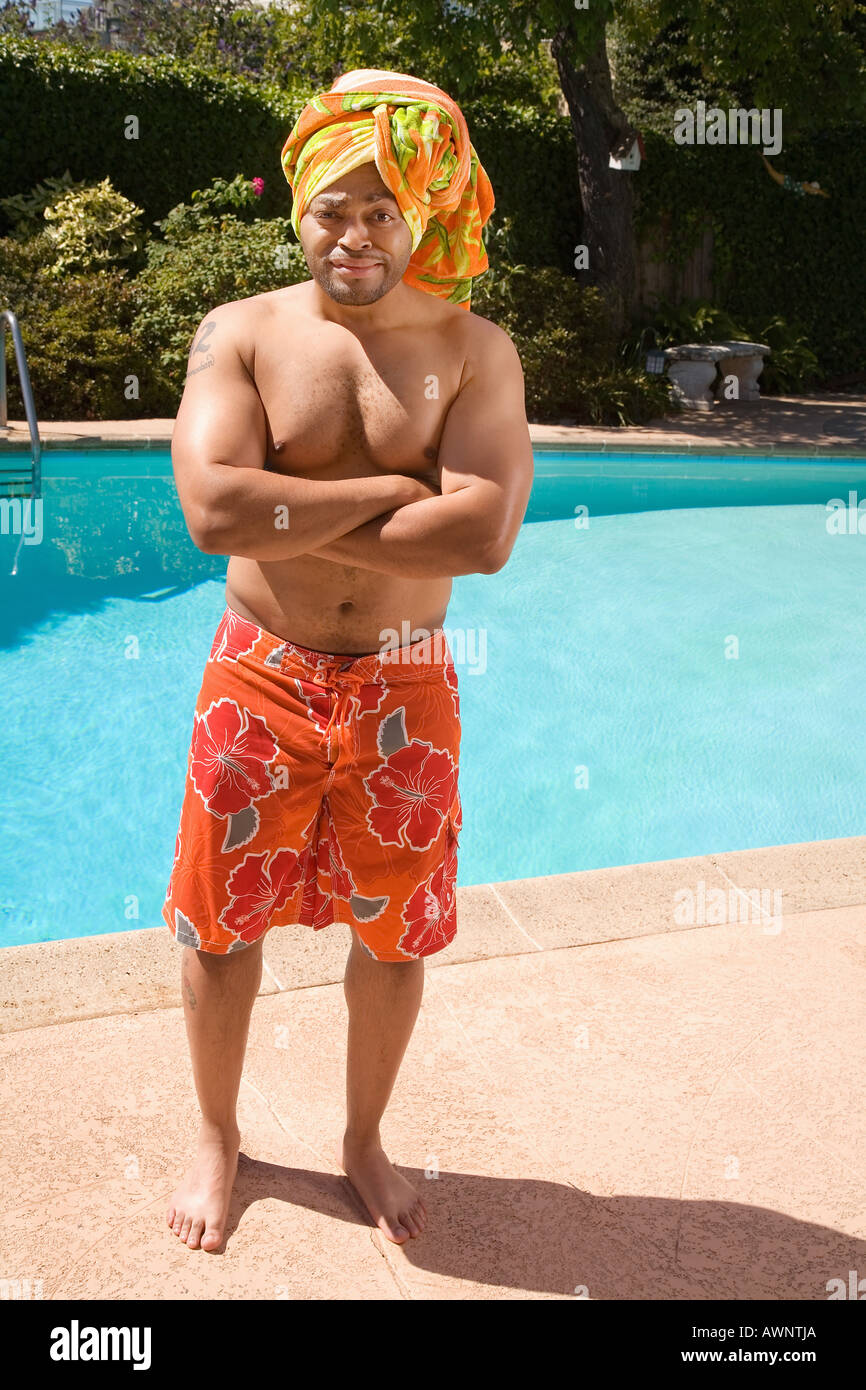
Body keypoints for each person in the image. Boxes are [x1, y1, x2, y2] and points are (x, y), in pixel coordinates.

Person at [163, 69, 534, 1253]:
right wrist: (393, 487)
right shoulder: (243, 332)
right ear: (299, 208)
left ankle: (360, 1137)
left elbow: (481, 534)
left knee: (394, 933)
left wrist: (300, 501)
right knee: (222, 929)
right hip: (258, 675)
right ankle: (219, 1137)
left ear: (418, 216)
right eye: (333, 205)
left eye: (381, 209)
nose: (355, 233)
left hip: (404, 684)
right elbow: (214, 512)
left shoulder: (473, 350)